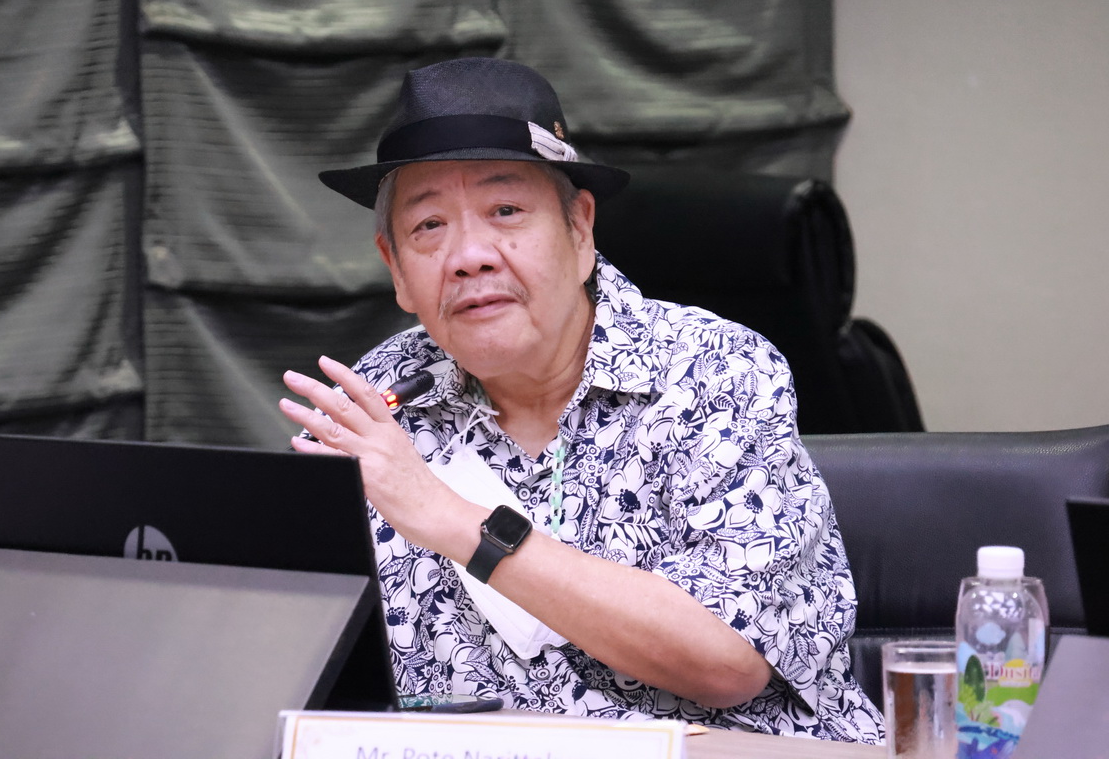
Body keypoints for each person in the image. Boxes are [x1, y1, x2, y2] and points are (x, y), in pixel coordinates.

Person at [279, 57, 884, 743]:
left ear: (580, 230)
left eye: (506, 211)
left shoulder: (714, 370)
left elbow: (729, 662)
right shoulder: (375, 405)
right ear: (396, 270)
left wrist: (447, 518)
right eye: (429, 226)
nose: (469, 255)